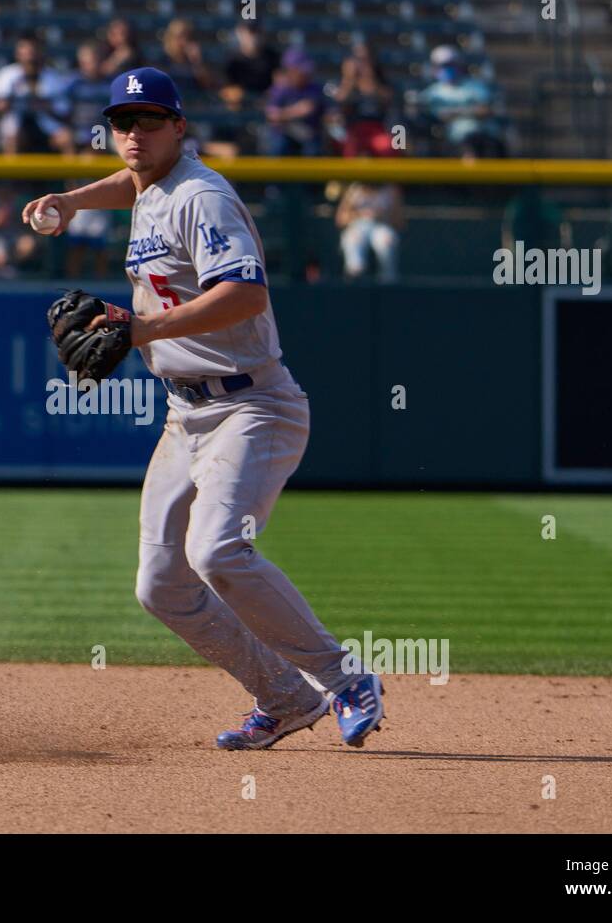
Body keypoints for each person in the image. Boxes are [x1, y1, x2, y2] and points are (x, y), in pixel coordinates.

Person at [20, 67, 385, 751]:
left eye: (150, 120)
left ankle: (344, 679)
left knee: (217, 550)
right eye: (123, 123)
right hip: (184, 416)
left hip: (253, 407)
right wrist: (70, 202)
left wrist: (138, 329)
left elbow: (245, 295)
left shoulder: (202, 197)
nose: (134, 133)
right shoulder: (151, 183)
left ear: (180, 126)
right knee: (161, 587)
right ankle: (281, 697)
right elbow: (130, 183)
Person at [0, 33, 74, 154]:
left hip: (46, 123)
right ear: (18, 54)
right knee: (12, 139)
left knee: (66, 138)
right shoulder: (6, 75)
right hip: (15, 123)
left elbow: (64, 112)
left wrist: (46, 106)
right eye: (26, 52)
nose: (30, 57)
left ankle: (71, 173)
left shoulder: (53, 77)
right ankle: (9, 173)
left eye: (33, 52)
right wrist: (12, 101)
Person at [417, 45, 505, 158]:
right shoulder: (431, 93)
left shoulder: (475, 87)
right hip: (449, 140)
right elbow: (427, 116)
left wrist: (456, 113)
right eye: (443, 65)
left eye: (450, 64)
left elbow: (486, 110)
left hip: (480, 136)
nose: (447, 68)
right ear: (434, 67)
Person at [262, 46, 328, 156]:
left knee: (314, 148)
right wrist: (296, 111)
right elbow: (271, 115)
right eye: (301, 71)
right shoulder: (280, 89)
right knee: (279, 145)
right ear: (291, 70)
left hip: (309, 135)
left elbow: (326, 112)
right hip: (284, 134)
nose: (306, 74)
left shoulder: (315, 89)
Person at [332, 41, 395, 157]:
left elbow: (389, 100)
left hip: (377, 129)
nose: (362, 64)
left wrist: (371, 82)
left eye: (365, 59)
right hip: (351, 130)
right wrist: (349, 80)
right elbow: (338, 102)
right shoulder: (343, 82)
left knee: (389, 148)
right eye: (359, 59)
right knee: (349, 148)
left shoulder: (381, 81)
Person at [335, 180, 403, 281]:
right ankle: (354, 278)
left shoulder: (390, 190)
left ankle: (387, 282)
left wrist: (381, 215)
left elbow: (400, 223)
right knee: (353, 239)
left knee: (386, 240)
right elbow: (340, 219)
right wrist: (360, 214)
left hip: (382, 226)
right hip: (358, 226)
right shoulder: (354, 189)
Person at [67, 40, 114, 153]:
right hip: (78, 129)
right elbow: (63, 110)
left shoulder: (112, 83)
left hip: (105, 130)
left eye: (93, 61)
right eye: (85, 62)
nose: (90, 66)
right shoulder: (72, 83)